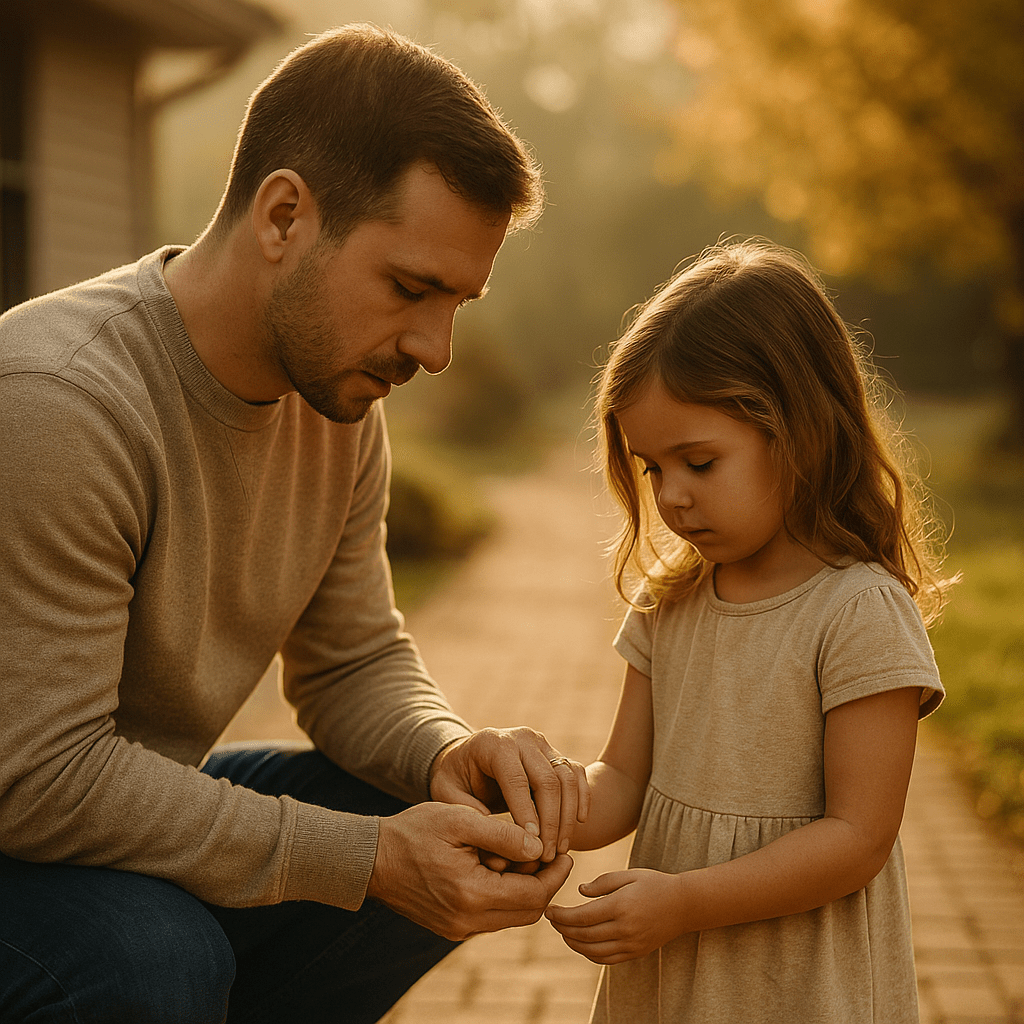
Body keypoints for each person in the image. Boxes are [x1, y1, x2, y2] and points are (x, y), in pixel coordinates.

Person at [0, 24, 588, 1024]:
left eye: (457, 302)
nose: (435, 349)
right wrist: (362, 860)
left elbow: (352, 657)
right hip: (26, 816)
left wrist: (448, 755)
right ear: (284, 216)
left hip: (79, 829)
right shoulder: (61, 400)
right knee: (155, 954)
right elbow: (42, 777)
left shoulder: (337, 401)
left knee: (446, 824)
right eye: (411, 288)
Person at [545, 239, 953, 1022]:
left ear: (797, 431)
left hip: (798, 987)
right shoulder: (669, 604)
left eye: (700, 462)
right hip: (672, 980)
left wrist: (684, 903)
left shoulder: (857, 612)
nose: (672, 498)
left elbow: (858, 837)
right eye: (653, 468)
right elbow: (621, 781)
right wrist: (535, 807)